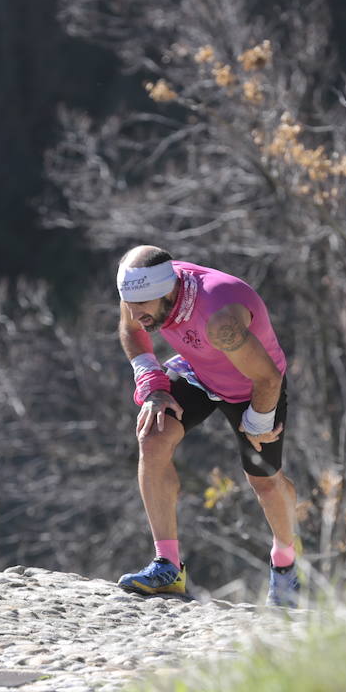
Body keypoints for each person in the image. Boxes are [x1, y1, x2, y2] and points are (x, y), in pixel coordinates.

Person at [113, 244, 301, 607]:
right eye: (131, 305)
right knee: (152, 438)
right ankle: (167, 567)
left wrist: (259, 422)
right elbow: (130, 330)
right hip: (199, 370)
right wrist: (151, 383)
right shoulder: (140, 290)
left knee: (264, 481)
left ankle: (286, 564)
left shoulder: (220, 316)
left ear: (168, 292)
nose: (136, 315)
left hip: (254, 386)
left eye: (144, 308)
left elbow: (268, 379)